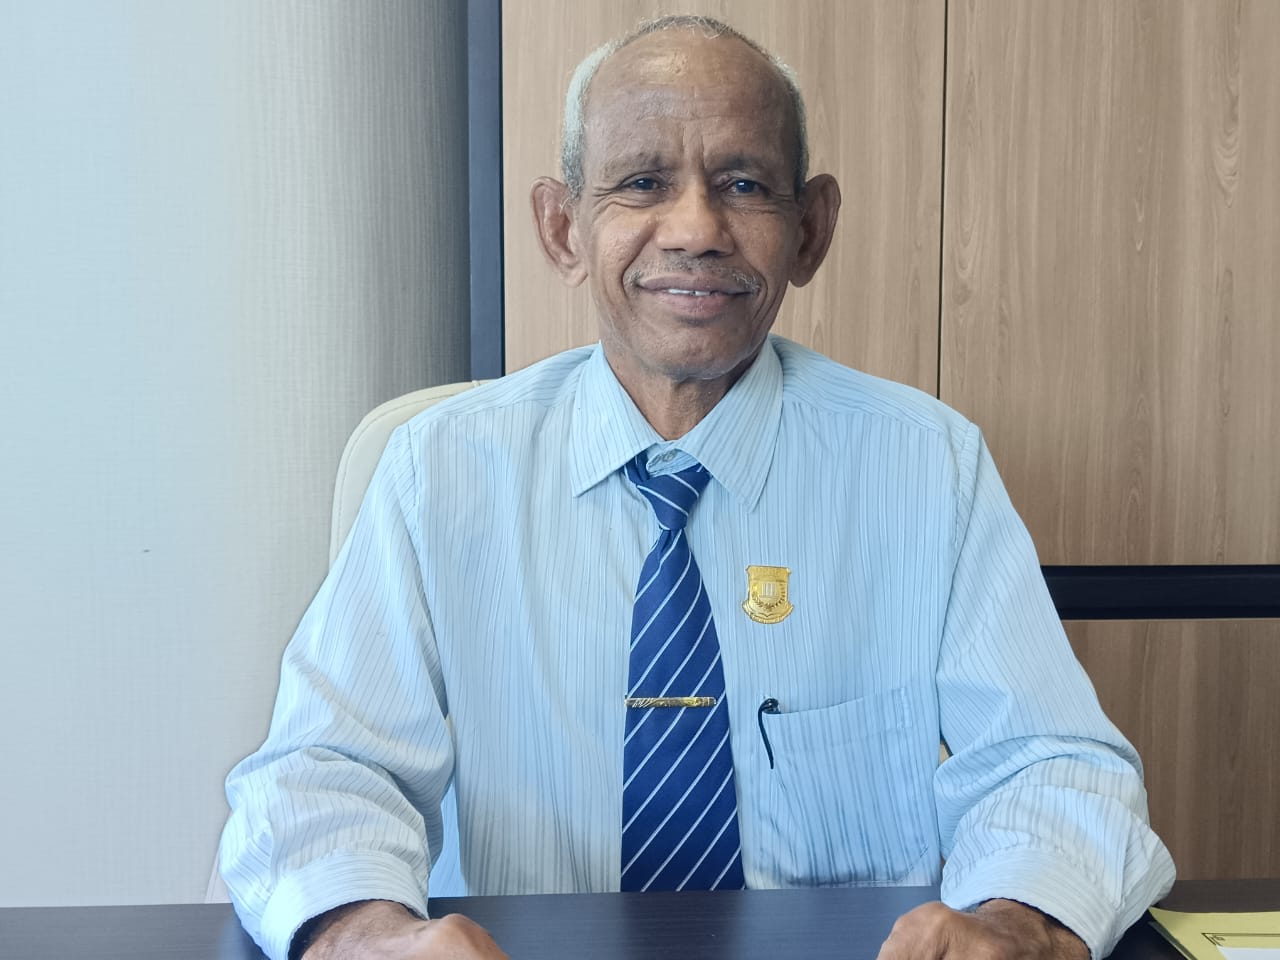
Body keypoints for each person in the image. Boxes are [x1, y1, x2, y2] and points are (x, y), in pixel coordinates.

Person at [220, 15, 1175, 960]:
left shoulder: (928, 467)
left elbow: (1052, 765)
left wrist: (1014, 923)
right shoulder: (441, 471)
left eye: (744, 184)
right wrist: (369, 937)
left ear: (811, 231)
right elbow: (323, 773)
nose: (695, 230)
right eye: (642, 182)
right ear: (562, 228)